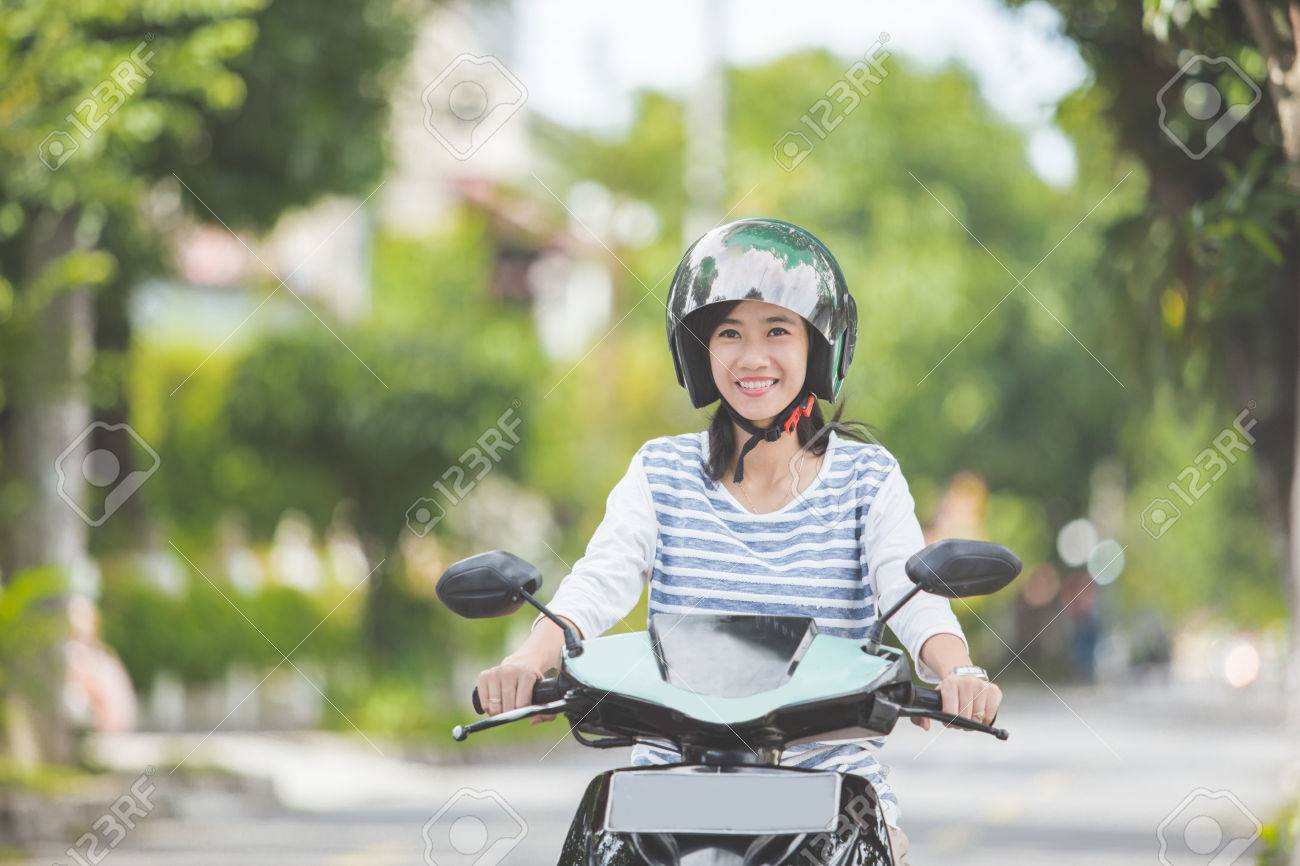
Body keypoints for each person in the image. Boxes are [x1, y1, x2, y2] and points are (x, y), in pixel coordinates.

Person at [476, 218, 1001, 861]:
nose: (752, 359)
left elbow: (912, 589)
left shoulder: (868, 479)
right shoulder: (661, 472)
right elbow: (601, 576)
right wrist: (531, 660)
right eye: (729, 334)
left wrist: (956, 671)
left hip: (827, 786)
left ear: (818, 345)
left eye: (777, 331)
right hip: (667, 789)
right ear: (701, 354)